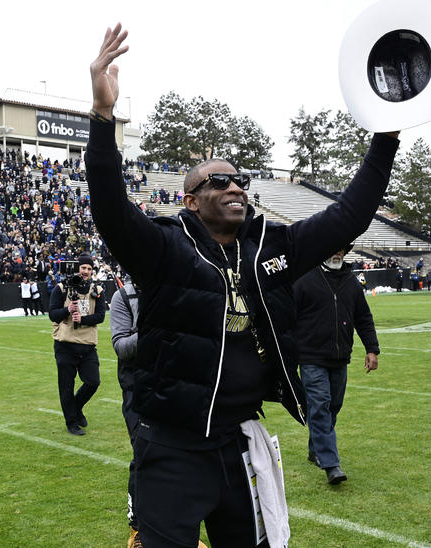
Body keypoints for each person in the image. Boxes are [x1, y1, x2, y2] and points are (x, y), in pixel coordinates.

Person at [86, 24, 399, 548]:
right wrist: (102, 118)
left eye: (240, 180)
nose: (234, 186)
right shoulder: (163, 248)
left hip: (239, 442)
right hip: (172, 445)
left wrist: (386, 138)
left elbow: (348, 216)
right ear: (189, 200)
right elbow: (110, 208)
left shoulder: (273, 247)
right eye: (217, 181)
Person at [294, 247, 380, 484]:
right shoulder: (303, 279)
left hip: (340, 356)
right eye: (332, 248)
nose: (337, 253)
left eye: (341, 249)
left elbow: (363, 317)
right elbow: (287, 318)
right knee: (320, 405)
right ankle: (331, 463)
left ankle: (316, 449)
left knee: (333, 406)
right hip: (310, 357)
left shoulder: (351, 282)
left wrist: (372, 349)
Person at [48, 254, 105, 436]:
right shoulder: (62, 288)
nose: (86, 271)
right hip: (65, 345)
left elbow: (101, 316)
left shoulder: (97, 290)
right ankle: (71, 422)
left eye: (89, 268)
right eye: (83, 268)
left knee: (93, 381)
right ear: (77, 268)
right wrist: (68, 310)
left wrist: (83, 318)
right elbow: (52, 314)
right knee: (66, 385)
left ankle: (76, 407)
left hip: (88, 344)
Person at [109, 279, 143, 547]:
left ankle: (177, 529)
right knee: (143, 454)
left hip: (175, 386)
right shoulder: (124, 296)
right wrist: (154, 328)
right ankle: (137, 528)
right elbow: (120, 346)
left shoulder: (174, 286)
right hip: (138, 390)